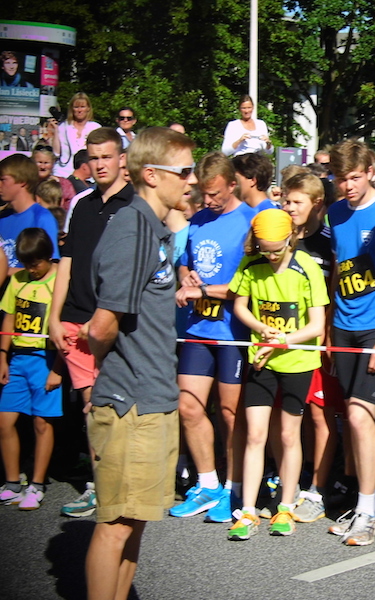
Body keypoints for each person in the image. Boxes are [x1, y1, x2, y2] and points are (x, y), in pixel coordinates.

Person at [83, 126, 196, 600]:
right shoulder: (131, 227)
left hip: (154, 397)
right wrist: (108, 377)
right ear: (151, 175)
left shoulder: (153, 228)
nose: (191, 180)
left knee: (136, 525)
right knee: (114, 526)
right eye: (184, 171)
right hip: (130, 403)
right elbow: (101, 327)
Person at [226, 209, 329, 540]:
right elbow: (240, 305)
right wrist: (261, 328)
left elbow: (316, 325)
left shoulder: (307, 267)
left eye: (276, 249)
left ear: (292, 238)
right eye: (264, 249)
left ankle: (285, 505)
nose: (270, 256)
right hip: (262, 358)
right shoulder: (252, 263)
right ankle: (248, 510)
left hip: (298, 361)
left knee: (287, 435)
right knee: (256, 435)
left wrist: (282, 340)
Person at [48, 126, 133, 518]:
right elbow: (66, 263)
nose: (99, 164)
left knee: (117, 407)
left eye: (106, 157)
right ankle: (99, 486)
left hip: (114, 323)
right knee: (90, 408)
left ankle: (123, 483)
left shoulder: (134, 207)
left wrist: (105, 319)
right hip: (76, 322)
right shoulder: (81, 205)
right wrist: (54, 315)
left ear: (122, 160)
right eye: (93, 157)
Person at [325, 139, 375, 546]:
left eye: (354, 177)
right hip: (342, 324)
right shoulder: (335, 211)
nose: (347, 186)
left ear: (371, 170)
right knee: (350, 418)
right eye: (341, 178)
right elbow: (338, 269)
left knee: (361, 416)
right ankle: (362, 501)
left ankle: (369, 507)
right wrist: (327, 329)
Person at [170, 152, 256, 522]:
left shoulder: (249, 221)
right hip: (196, 328)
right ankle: (206, 483)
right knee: (188, 406)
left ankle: (233, 487)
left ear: (232, 184)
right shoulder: (198, 219)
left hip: (232, 330)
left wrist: (203, 292)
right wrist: (187, 276)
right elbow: (186, 260)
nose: (208, 201)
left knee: (229, 413)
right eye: (204, 194)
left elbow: (248, 288)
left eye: (215, 194)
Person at [279, 173, 337, 524]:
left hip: (315, 340)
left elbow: (334, 291)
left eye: (296, 201)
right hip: (281, 342)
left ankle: (316, 489)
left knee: (319, 415)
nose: (288, 208)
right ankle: (287, 479)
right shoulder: (278, 238)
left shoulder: (328, 241)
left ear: (316, 203)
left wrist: (328, 337)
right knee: (284, 417)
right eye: (285, 201)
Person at [0, 228, 63, 510]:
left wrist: (58, 369)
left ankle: (37, 484)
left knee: (41, 422)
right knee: (5, 422)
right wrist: (3, 357)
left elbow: (65, 329)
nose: (30, 269)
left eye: (35, 263)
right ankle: (12, 482)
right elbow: (9, 319)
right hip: (18, 357)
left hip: (45, 359)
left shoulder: (59, 281)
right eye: (26, 264)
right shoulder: (18, 280)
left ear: (47, 256)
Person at [0, 154, 60, 275]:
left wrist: (5, 271)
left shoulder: (42, 218)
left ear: (22, 181)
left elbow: (51, 267)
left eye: (3, 180)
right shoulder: (2, 217)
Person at [48, 92, 102, 178]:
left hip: (87, 175)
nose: (79, 110)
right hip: (63, 173)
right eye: (76, 107)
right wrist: (56, 130)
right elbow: (56, 153)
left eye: (82, 107)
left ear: (88, 108)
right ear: (72, 109)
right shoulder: (64, 126)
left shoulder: (95, 127)